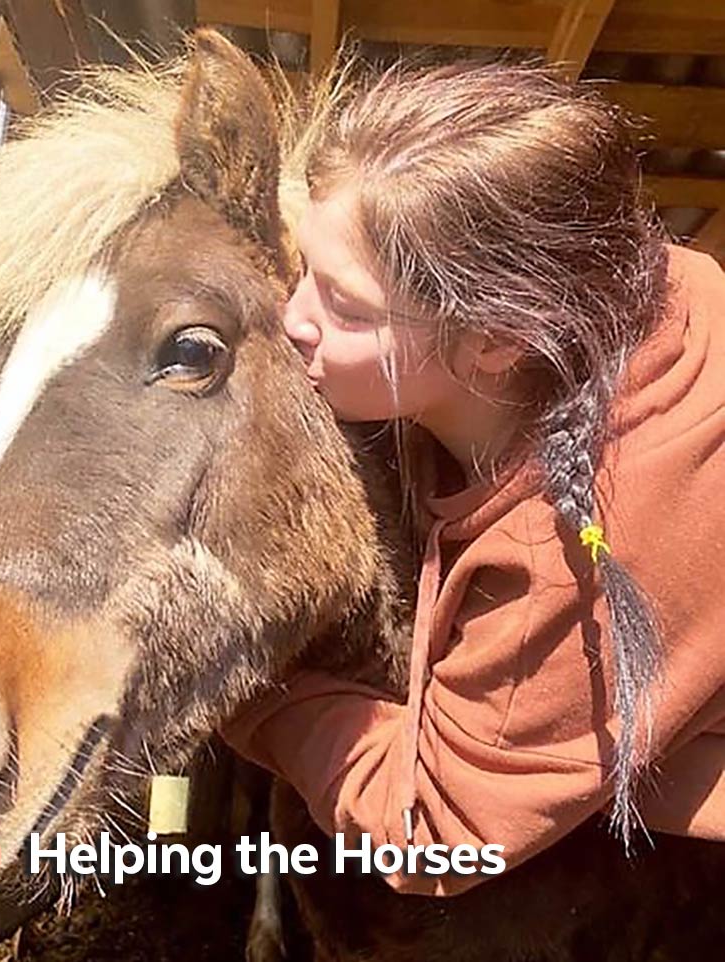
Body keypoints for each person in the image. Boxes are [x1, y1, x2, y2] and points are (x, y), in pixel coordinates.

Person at [217, 58, 725, 896]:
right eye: (301, 268)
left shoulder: (576, 561)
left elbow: (436, 834)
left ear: (495, 339)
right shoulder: (629, 275)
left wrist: (253, 694)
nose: (292, 317)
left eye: (344, 306)